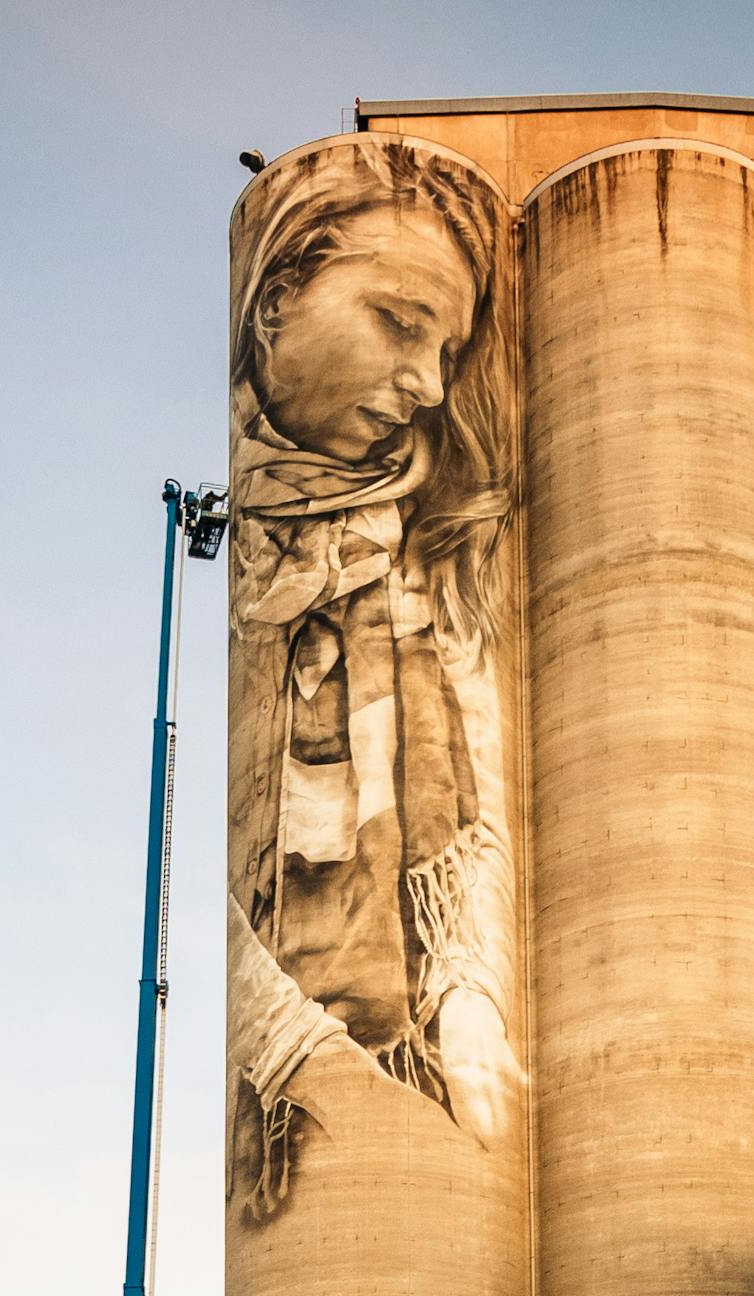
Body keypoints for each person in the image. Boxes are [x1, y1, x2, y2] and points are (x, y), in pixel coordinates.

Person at [227, 140, 522, 1220]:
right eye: (399, 323)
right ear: (271, 304)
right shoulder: (246, 563)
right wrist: (297, 1051)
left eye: (445, 348)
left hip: (415, 1052)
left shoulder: (440, 542)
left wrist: (470, 1002)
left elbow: (482, 806)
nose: (428, 385)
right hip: (295, 1082)